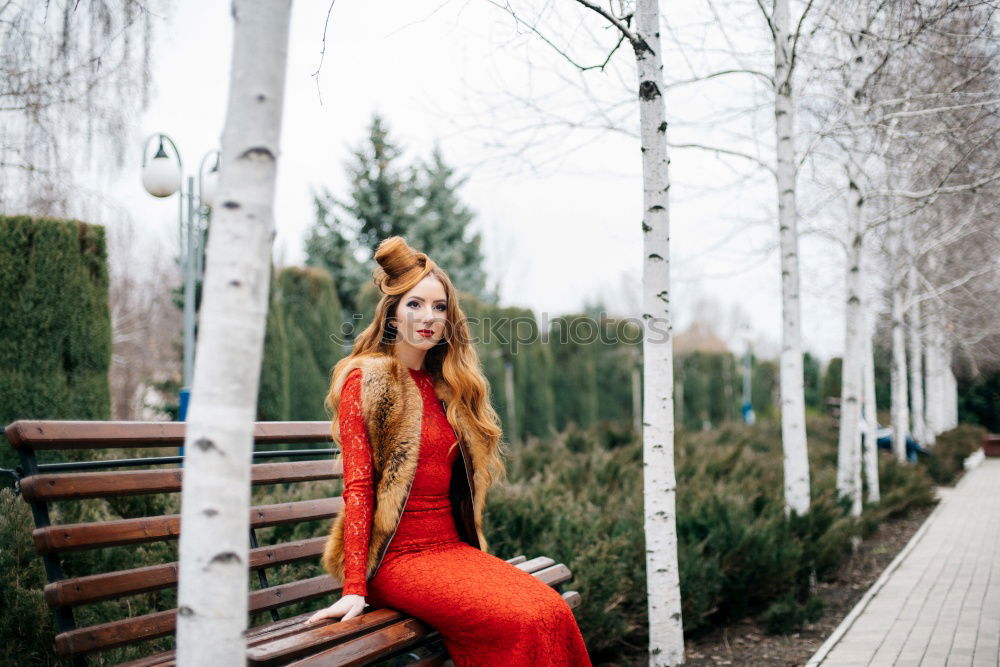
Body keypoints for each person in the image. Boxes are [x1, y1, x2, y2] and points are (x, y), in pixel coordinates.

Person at [303, 236, 591, 666]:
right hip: (396, 559)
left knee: (549, 609)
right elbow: (359, 487)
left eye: (439, 308)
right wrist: (353, 589)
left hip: (452, 549)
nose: (428, 317)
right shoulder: (367, 380)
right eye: (415, 305)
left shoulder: (448, 388)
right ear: (392, 314)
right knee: (518, 620)